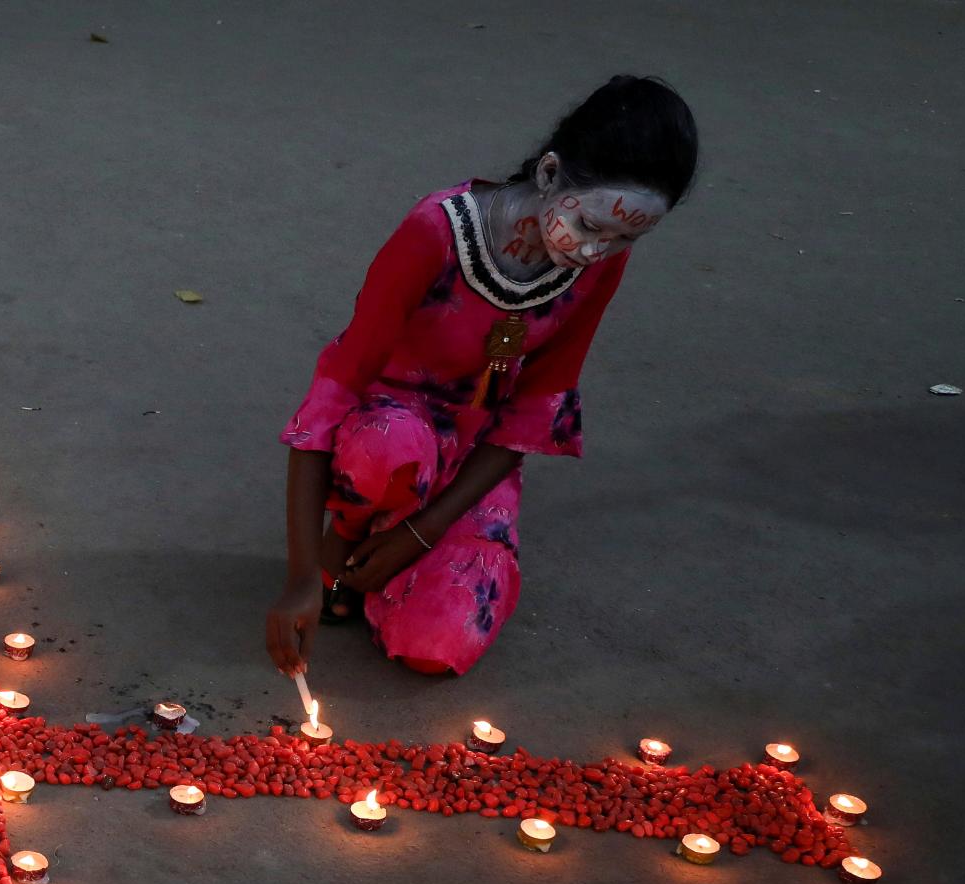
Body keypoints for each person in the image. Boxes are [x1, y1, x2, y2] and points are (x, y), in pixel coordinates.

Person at [264, 75, 698, 678]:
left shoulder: (599, 266)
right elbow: (336, 385)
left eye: (628, 237)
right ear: (549, 176)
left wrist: (420, 535)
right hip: (390, 434)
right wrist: (300, 576)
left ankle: (388, 558)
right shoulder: (436, 231)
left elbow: (538, 406)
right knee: (386, 446)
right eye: (596, 226)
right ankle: (349, 541)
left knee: (436, 648)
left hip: (474, 457)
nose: (600, 251)